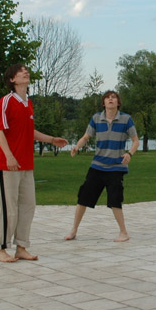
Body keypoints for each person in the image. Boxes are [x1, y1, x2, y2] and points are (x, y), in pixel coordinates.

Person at [0, 63, 69, 263]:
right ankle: (0, 249)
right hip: (7, 165)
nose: (25, 73)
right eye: (20, 72)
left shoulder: (28, 103)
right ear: (12, 80)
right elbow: (0, 130)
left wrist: (52, 140)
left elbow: (30, 132)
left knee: (28, 206)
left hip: (26, 165)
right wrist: (9, 155)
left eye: (26, 71)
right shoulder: (6, 101)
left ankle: (21, 247)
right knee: (8, 207)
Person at [64, 91, 140, 243]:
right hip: (97, 165)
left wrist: (129, 154)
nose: (110, 99)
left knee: (115, 200)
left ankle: (123, 232)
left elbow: (135, 140)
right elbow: (86, 137)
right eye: (107, 97)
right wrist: (76, 147)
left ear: (118, 103)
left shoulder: (126, 119)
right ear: (103, 102)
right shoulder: (96, 118)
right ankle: (73, 230)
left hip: (117, 167)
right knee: (83, 198)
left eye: (114, 97)